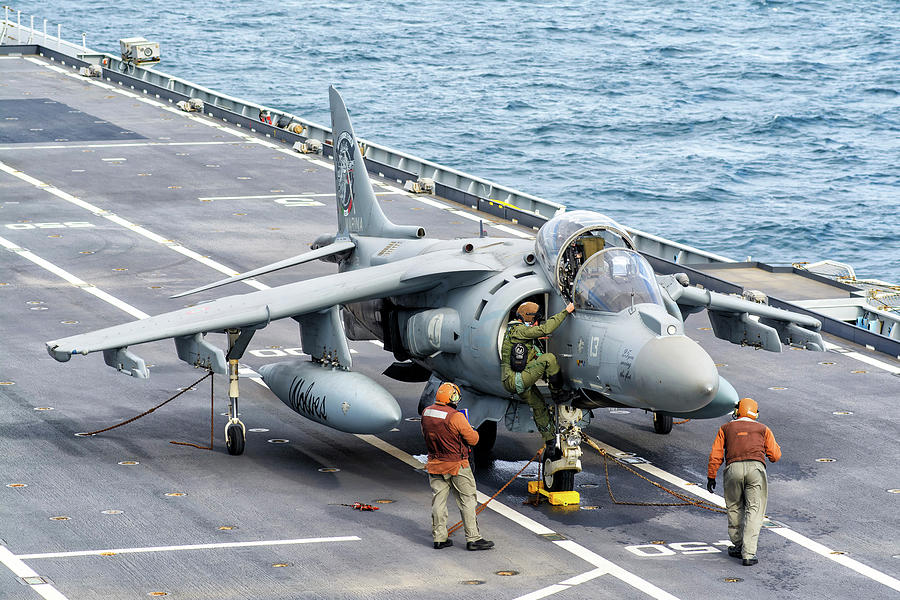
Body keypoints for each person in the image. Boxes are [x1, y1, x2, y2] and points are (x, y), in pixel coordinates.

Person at [707, 397, 781, 566]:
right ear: (755, 413)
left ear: (737, 411)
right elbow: (775, 456)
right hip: (756, 470)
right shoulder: (763, 429)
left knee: (734, 506)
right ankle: (748, 553)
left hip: (733, 469)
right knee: (754, 510)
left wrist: (711, 476)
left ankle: (738, 545)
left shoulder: (725, 428)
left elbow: (716, 455)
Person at [421, 382, 494, 551]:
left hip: (435, 464)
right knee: (467, 500)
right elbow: (474, 440)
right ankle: (473, 538)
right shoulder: (456, 416)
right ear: (452, 398)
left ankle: (439, 538)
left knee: (438, 501)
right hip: (457, 465)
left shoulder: (427, 413)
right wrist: (471, 429)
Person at [500, 301, 574, 445]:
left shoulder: (515, 331)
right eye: (536, 320)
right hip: (516, 379)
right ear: (529, 317)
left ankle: (551, 441)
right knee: (549, 359)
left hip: (516, 379)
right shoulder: (519, 331)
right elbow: (546, 329)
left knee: (539, 406)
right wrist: (566, 311)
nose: (537, 323)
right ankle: (557, 393)